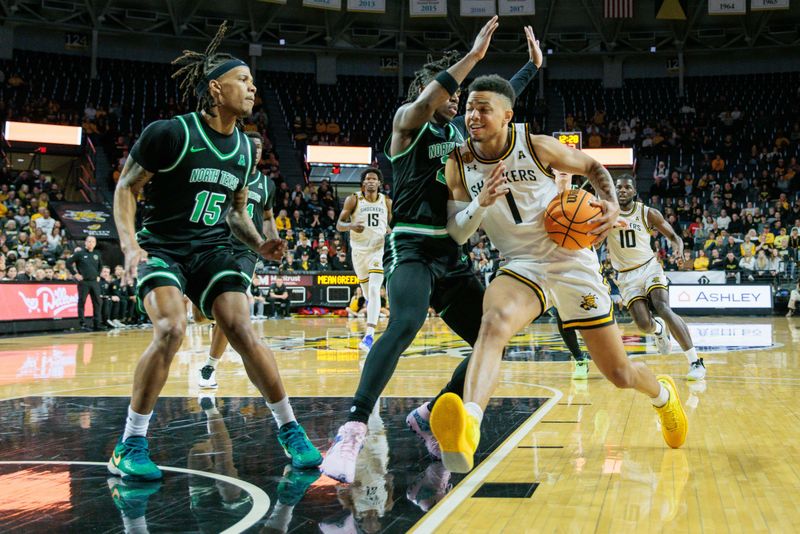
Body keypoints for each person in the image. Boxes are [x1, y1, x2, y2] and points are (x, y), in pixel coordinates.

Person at [431, 75, 688, 474]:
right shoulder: (459, 162)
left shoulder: (535, 146)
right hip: (520, 264)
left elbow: (591, 166)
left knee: (620, 374)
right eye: (470, 108)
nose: (473, 115)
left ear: (507, 115)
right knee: (493, 324)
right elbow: (458, 232)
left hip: (571, 259)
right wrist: (480, 204)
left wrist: (610, 205)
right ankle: (470, 425)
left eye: (484, 108)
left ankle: (662, 396)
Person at [109, 22, 320, 482]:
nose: (252, 87)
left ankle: (290, 429)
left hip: (210, 250)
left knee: (242, 327)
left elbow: (235, 214)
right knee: (170, 328)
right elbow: (126, 187)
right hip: (163, 248)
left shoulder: (245, 150)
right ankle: (131, 442)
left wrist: (259, 243)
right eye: (243, 79)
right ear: (215, 88)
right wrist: (129, 247)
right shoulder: (170, 133)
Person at [322, 17, 511, 484]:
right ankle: (352, 430)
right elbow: (430, 99)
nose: (452, 99)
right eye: (445, 91)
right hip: (410, 246)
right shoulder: (406, 125)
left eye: (456, 94)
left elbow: (498, 107)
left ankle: (429, 413)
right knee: (404, 323)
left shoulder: (461, 140)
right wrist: (474, 57)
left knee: (493, 341)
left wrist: (527, 68)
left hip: (452, 251)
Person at [196, 132, 278, 389]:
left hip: (246, 251)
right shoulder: (224, 174)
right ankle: (206, 312)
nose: (255, 152)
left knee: (229, 307)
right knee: (200, 316)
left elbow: (267, 217)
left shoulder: (267, 184)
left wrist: (273, 241)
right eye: (250, 147)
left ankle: (210, 365)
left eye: (259, 148)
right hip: (214, 243)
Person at [606, 176, 706, 381]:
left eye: (627, 188)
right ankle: (659, 330)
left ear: (634, 192)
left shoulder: (647, 213)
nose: (622, 191)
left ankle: (695, 361)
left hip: (649, 268)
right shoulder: (607, 213)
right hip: (625, 276)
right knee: (644, 324)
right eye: (619, 187)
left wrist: (678, 250)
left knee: (663, 307)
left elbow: (673, 237)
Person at [336, 167, 392, 351]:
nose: (370, 181)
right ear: (363, 183)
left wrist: (390, 230)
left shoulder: (386, 201)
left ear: (379, 183)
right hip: (359, 252)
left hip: (378, 250)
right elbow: (339, 225)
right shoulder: (353, 199)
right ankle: (373, 315)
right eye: (367, 178)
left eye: (373, 178)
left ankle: (369, 335)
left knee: (375, 289)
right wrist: (351, 225)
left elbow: (390, 223)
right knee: (368, 294)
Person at [66, 236, 105, 331]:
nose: (91, 243)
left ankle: (97, 324)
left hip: (94, 282)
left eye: (93, 242)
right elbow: (68, 263)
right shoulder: (79, 253)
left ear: (95, 244)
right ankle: (82, 323)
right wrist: (75, 274)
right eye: (89, 241)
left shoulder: (97, 254)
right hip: (84, 282)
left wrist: (99, 275)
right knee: (82, 302)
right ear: (85, 243)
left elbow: (101, 266)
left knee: (97, 303)